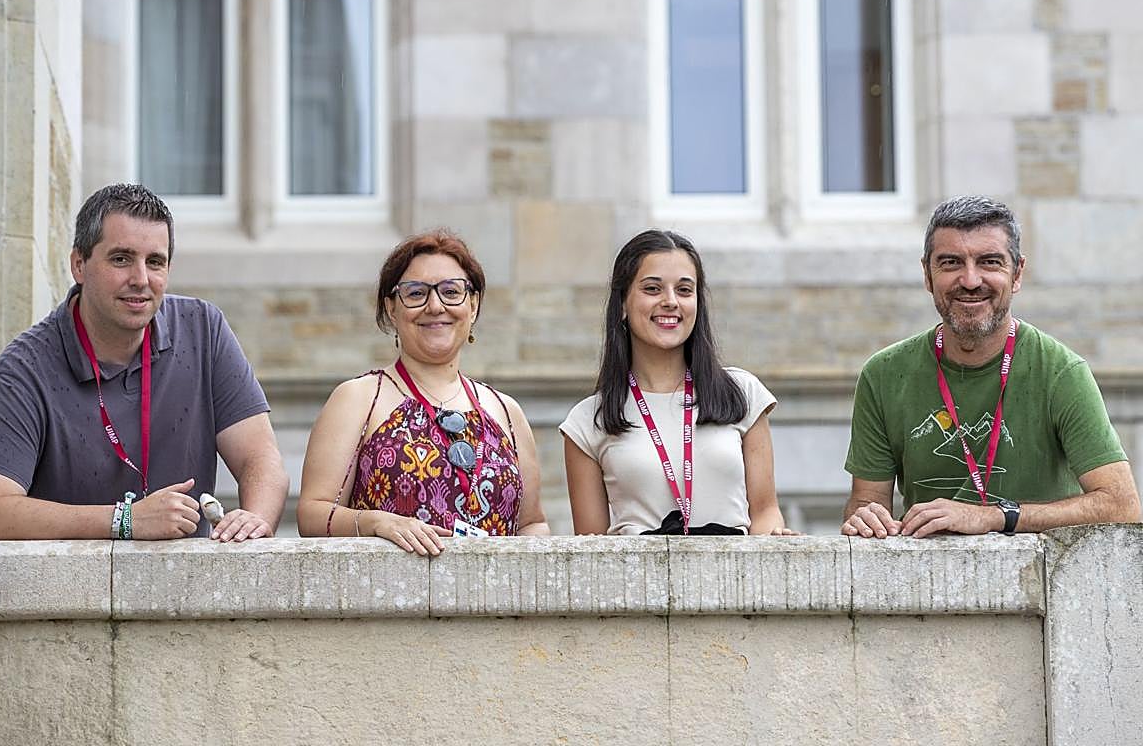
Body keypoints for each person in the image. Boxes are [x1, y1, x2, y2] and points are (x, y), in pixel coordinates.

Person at [0, 184, 289, 541]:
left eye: (155, 262)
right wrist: (125, 520)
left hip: (187, 587)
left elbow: (261, 458)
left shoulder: (203, 329)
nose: (140, 280)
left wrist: (254, 521)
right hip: (66, 591)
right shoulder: (24, 368)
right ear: (79, 264)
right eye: (121, 259)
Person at [842, 196, 1140, 538]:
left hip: (1039, 581)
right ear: (927, 274)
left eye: (989, 262)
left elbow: (1122, 505)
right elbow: (866, 502)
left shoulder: (1061, 371)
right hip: (926, 583)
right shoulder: (883, 375)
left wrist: (996, 516)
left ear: (1017, 274)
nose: (970, 280)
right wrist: (864, 520)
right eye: (951, 262)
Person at [298, 230, 549, 554]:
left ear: (472, 306)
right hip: (393, 598)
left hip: (492, 602)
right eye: (416, 293)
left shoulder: (505, 410)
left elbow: (531, 524)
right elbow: (313, 514)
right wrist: (377, 523)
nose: (435, 306)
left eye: (451, 292)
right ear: (392, 308)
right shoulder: (360, 398)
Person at [561, 229, 793, 536]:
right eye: (653, 289)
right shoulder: (587, 421)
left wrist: (776, 539)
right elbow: (592, 549)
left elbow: (765, 512)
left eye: (684, 290)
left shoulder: (743, 393)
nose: (670, 301)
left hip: (736, 578)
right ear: (622, 304)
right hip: (639, 581)